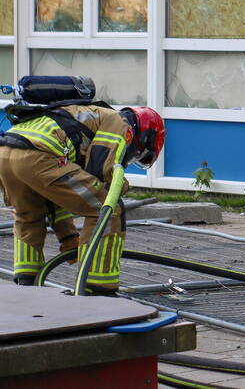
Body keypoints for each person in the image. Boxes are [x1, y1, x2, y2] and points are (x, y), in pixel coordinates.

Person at [0, 103, 165, 294]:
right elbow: (102, 171)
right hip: (40, 155)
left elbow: (56, 200)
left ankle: (26, 283)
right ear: (144, 137)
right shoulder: (119, 122)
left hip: (5, 153)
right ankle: (99, 287)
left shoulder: (83, 117)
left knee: (28, 214)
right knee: (107, 208)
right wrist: (120, 186)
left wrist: (69, 238)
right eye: (138, 154)